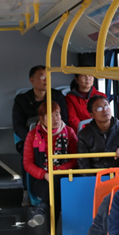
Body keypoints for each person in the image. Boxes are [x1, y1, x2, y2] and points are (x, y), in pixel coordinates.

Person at [12, 65, 69, 206]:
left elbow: (65, 120)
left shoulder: (57, 96)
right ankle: (27, 190)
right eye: (42, 77)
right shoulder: (22, 100)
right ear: (32, 80)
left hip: (56, 137)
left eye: (48, 77)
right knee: (27, 155)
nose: (46, 80)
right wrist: (32, 139)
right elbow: (18, 125)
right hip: (32, 139)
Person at [23, 101, 77, 227]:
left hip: (65, 176)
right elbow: (27, 163)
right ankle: (51, 233)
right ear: (42, 119)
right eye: (50, 116)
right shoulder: (32, 135)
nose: (55, 119)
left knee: (55, 187)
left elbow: (76, 159)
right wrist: (45, 174)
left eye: (57, 114)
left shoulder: (69, 132)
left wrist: (60, 170)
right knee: (53, 191)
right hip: (42, 179)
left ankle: (42, 213)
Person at [77, 96, 119, 171]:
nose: (105, 110)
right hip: (97, 174)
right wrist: (93, 178)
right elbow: (83, 165)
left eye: (106, 106)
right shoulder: (84, 135)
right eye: (99, 108)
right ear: (91, 115)